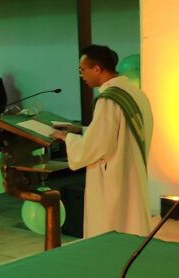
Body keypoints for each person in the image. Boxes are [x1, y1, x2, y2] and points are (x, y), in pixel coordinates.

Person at [51, 45, 153, 238]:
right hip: (132, 169)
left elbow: (97, 146)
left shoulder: (108, 99)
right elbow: (118, 133)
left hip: (113, 177)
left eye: (82, 70)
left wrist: (68, 138)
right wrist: (82, 131)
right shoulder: (134, 92)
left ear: (97, 68)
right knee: (131, 223)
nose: (81, 75)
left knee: (112, 227)